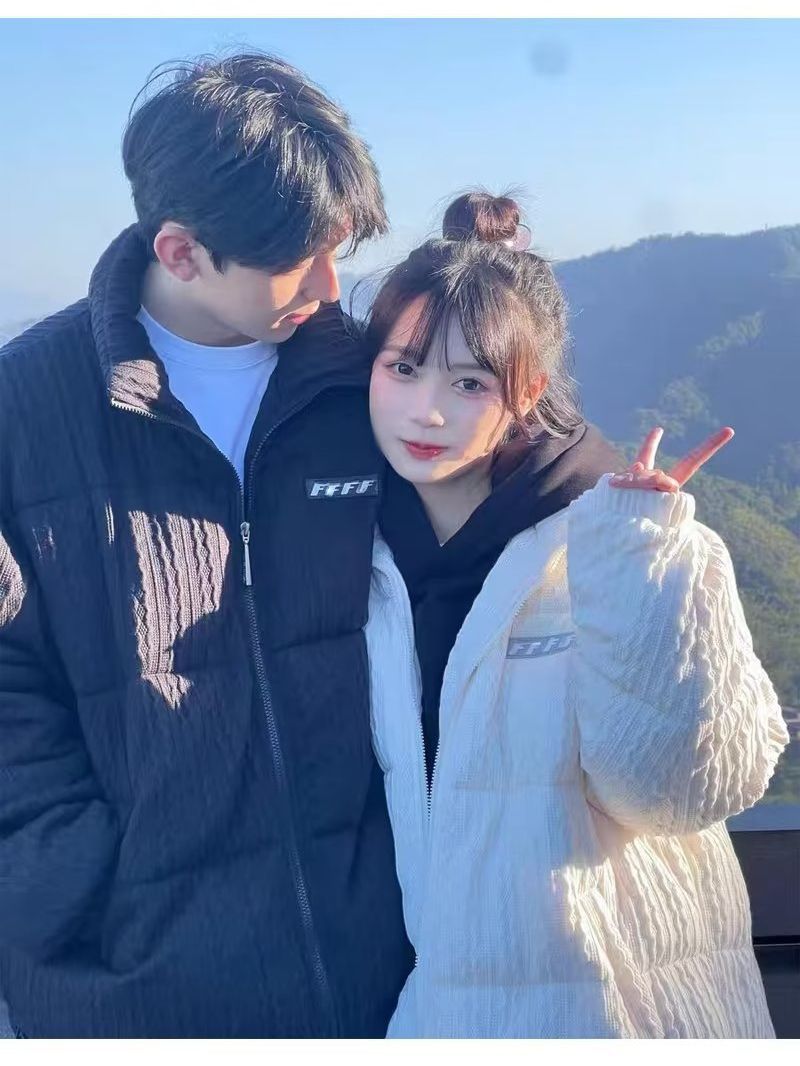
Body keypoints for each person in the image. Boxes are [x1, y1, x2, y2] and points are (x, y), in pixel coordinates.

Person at [0, 51, 415, 1038]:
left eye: (339, 247)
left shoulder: (363, 385)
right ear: (181, 251)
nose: (332, 285)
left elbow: (494, 496)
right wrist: (78, 879)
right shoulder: (24, 409)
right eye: (299, 258)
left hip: (383, 977)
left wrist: (614, 503)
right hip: (135, 994)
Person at [363, 191, 789, 1037]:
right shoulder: (357, 556)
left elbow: (685, 791)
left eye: (470, 381)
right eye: (403, 368)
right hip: (441, 1016)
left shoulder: (623, 541)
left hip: (619, 1017)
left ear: (528, 393)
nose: (427, 409)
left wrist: (642, 557)